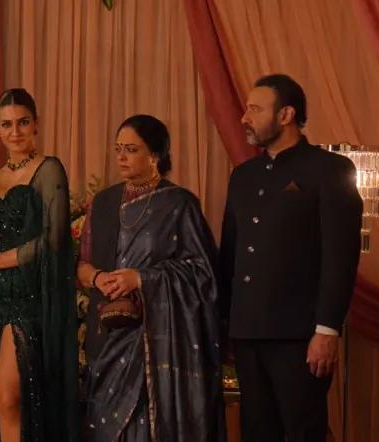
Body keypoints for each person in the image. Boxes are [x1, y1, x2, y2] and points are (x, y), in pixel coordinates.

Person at [220, 74, 362, 442]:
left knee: (303, 432)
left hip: (301, 336)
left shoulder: (330, 169)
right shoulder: (243, 176)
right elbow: (230, 255)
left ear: (286, 115)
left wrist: (327, 331)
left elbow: (340, 258)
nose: (244, 118)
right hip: (247, 332)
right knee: (256, 432)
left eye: (255, 109)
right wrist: (224, 325)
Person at [77, 115, 225, 441]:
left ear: (154, 156)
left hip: (160, 339)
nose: (121, 157)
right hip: (110, 334)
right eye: (118, 149)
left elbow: (203, 273)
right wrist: (99, 278)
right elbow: (81, 264)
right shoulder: (103, 203)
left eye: (131, 150)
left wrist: (141, 279)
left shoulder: (179, 204)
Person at [0, 88, 79, 442]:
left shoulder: (49, 169)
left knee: (9, 398)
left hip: (28, 298)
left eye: (23, 122)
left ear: (36, 124)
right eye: (7, 124)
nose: (15, 132)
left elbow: (54, 240)